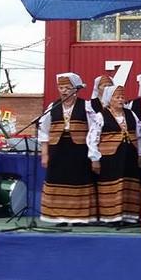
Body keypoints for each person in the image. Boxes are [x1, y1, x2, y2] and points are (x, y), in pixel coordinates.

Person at [38, 72, 97, 225]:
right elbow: (44, 131)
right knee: (57, 180)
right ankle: (59, 216)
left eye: (67, 87)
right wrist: (45, 154)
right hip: (58, 150)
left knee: (78, 181)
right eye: (61, 87)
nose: (63, 90)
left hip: (78, 150)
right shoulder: (53, 106)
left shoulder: (86, 106)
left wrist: (93, 153)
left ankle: (79, 217)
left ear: (75, 89)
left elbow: (93, 130)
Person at [87, 85, 141, 224]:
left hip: (129, 156)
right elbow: (92, 137)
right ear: (110, 99)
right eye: (117, 97)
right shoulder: (101, 116)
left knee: (129, 184)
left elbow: (140, 134)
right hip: (110, 157)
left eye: (122, 97)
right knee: (111, 185)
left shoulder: (131, 114)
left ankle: (128, 217)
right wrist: (94, 158)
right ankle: (111, 217)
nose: (120, 100)